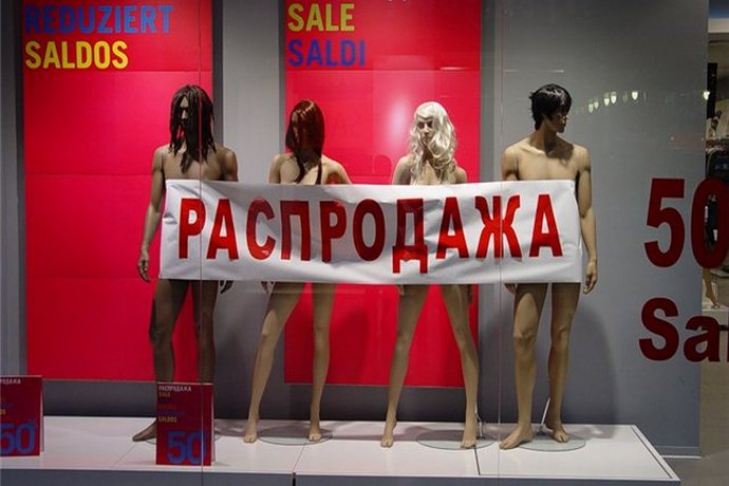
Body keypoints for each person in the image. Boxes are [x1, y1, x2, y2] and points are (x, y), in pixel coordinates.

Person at [132, 85, 239, 442]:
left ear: (203, 115)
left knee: (202, 329)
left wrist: (232, 259)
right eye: (178, 109)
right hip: (175, 252)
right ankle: (167, 413)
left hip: (207, 252)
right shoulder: (163, 156)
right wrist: (145, 246)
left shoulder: (223, 158)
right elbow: (154, 205)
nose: (183, 116)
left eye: (189, 110)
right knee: (159, 331)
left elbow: (234, 210)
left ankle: (202, 413)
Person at [243, 100, 352, 443]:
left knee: (320, 333)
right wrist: (265, 260)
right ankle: (253, 413)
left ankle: (315, 414)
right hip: (291, 257)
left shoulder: (332, 168)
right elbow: (268, 212)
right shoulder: (280, 164)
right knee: (267, 333)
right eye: (293, 125)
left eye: (303, 125)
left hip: (323, 258)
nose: (298, 131)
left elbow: (362, 205)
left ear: (315, 128)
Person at [499, 84, 597, 450]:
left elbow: (585, 209)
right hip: (532, 253)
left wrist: (593, 256)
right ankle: (524, 423)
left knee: (561, 334)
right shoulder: (515, 155)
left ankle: (554, 415)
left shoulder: (578, 156)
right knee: (522, 336)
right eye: (559, 113)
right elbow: (508, 212)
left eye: (567, 111)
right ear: (543, 114)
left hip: (567, 251)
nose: (565, 118)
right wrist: (508, 260)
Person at [380, 101, 480, 449]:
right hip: (415, 258)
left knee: (463, 336)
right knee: (402, 338)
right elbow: (390, 218)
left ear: (441, 127)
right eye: (420, 124)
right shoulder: (405, 168)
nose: (424, 131)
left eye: (430, 125)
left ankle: (470, 415)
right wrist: (394, 268)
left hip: (450, 260)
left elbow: (467, 229)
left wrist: (469, 278)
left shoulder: (457, 174)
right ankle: (390, 416)